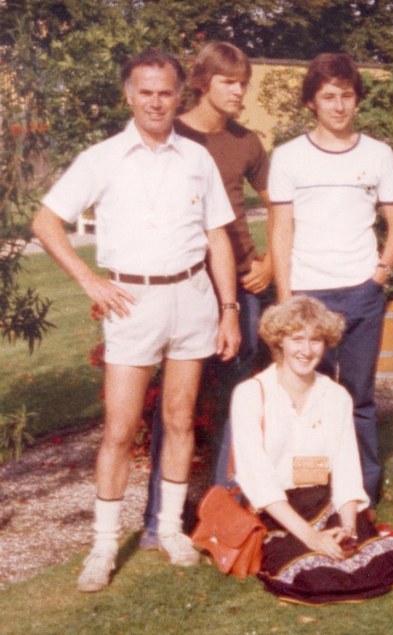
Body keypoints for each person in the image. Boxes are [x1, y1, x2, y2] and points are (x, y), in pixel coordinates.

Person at [31, 50, 241, 592]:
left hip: (193, 298)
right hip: (132, 305)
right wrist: (88, 280)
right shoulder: (102, 158)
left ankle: (169, 530)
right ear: (129, 95)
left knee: (178, 418)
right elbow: (45, 221)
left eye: (165, 92)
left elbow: (218, 234)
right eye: (145, 91)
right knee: (120, 429)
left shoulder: (196, 158)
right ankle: (102, 548)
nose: (155, 101)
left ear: (178, 96)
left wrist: (229, 309)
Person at [140, 41, 273, 549]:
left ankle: (224, 509)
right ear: (201, 83)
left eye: (243, 82)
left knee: (238, 400)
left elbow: (279, 202)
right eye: (228, 82)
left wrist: (270, 262)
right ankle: (159, 519)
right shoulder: (171, 135)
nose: (239, 91)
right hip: (188, 284)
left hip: (241, 282)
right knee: (177, 405)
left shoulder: (247, 142)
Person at [269, 53, 393, 513]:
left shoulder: (378, 153)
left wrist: (380, 274)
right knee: (309, 397)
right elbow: (280, 230)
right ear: (312, 102)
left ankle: (360, 489)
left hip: (362, 293)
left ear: (356, 100)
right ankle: (312, 490)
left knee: (360, 396)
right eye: (329, 96)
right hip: (309, 297)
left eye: (347, 96)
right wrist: (287, 299)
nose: (339, 105)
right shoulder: (288, 157)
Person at [230, 296, 393, 604]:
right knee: (314, 577)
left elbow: (347, 471)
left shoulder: (336, 396)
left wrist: (347, 526)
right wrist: (310, 538)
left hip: (325, 502)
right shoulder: (251, 394)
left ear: (326, 343)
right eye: (297, 339)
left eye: (316, 340)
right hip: (276, 512)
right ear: (279, 341)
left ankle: (379, 537)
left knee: (385, 563)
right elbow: (259, 481)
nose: (306, 351)